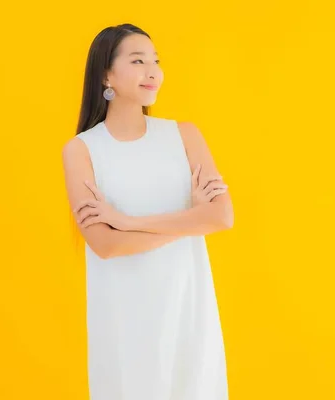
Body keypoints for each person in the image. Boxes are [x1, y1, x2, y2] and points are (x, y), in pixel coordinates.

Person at [61, 23, 233, 400]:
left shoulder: (184, 135)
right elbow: (105, 244)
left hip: (187, 305)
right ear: (106, 73)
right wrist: (191, 219)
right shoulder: (83, 150)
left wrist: (128, 223)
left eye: (155, 60)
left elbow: (221, 217)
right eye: (137, 61)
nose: (152, 70)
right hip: (125, 315)